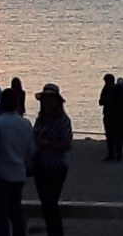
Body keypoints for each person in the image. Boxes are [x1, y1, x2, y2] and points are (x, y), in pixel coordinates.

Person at [0, 89, 34, 236]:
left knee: (0, 214)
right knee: (16, 211)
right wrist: (27, 165)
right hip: (18, 172)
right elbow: (30, 149)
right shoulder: (25, 124)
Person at [32, 84, 73, 236]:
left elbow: (67, 144)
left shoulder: (62, 120)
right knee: (46, 204)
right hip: (41, 166)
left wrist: (45, 143)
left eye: (50, 99)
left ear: (57, 101)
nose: (47, 102)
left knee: (50, 204)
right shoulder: (41, 119)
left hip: (56, 167)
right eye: (45, 99)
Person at [99, 74, 122, 162]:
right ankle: (111, 154)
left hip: (116, 116)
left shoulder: (117, 90)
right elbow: (100, 102)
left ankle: (118, 156)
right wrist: (105, 99)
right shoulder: (105, 89)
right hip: (108, 115)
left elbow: (121, 103)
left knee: (117, 136)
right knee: (109, 136)